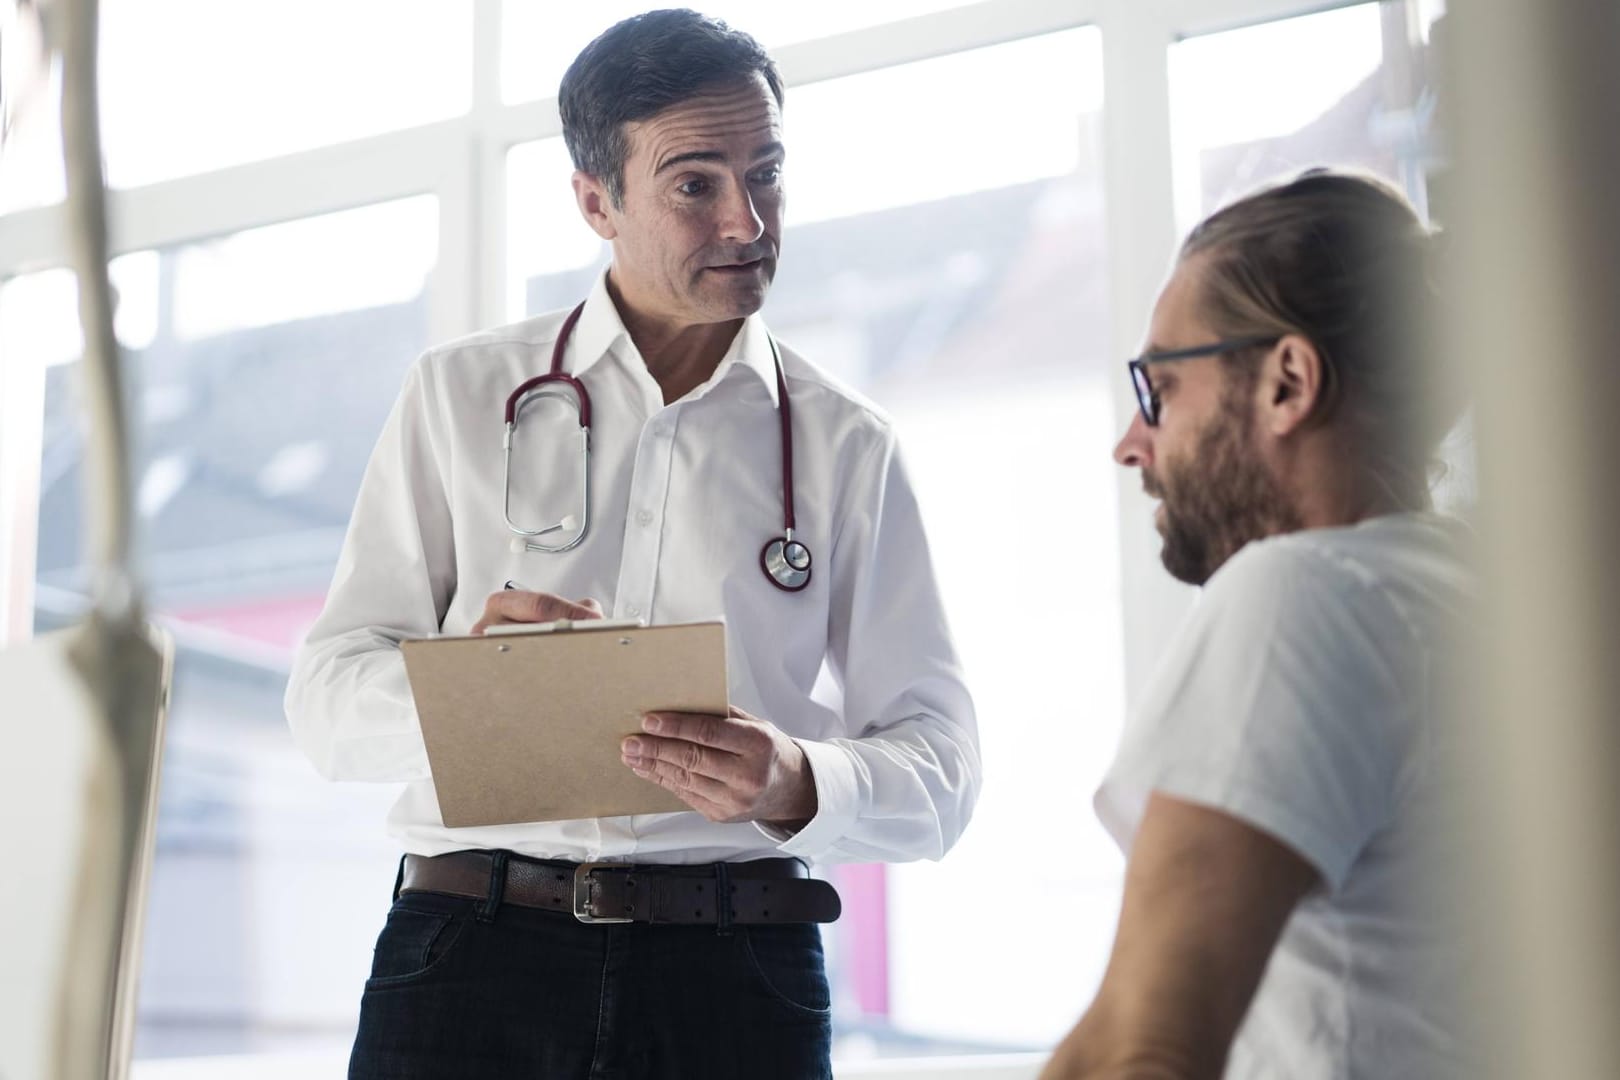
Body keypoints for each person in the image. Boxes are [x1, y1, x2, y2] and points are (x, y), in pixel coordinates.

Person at [284, 10, 980, 1079]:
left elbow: (943, 767)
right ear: (595, 201)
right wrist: (473, 690)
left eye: (768, 172)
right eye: (696, 183)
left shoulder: (846, 445)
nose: (748, 219)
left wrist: (800, 777)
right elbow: (327, 705)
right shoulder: (463, 396)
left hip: (739, 974)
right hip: (471, 956)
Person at [1040, 170, 1474, 1079]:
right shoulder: (1469, 589)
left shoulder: (1307, 595)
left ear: (1288, 381)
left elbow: (1137, 1050)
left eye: (1160, 389)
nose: (1132, 442)